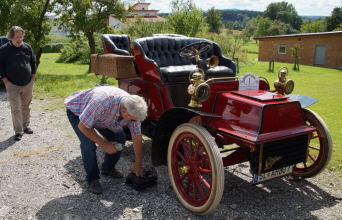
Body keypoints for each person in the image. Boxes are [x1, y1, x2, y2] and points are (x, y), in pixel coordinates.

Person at [64, 85, 147, 194]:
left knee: (120, 137)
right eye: (132, 120)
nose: (133, 122)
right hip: (78, 112)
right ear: (123, 111)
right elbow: (83, 126)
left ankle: (108, 169)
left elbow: (136, 136)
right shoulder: (102, 102)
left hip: (101, 117)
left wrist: (138, 164)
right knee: (88, 145)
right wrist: (104, 144)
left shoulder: (133, 109)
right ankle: (92, 179)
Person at [0, 26, 36, 141]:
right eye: (17, 37)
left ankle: (26, 127)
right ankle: (18, 131)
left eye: (21, 37)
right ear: (11, 37)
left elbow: (33, 61)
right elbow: (1, 66)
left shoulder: (27, 47)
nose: (19, 39)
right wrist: (5, 80)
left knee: (26, 106)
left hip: (28, 83)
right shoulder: (4, 49)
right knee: (16, 108)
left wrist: (33, 76)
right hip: (12, 84)